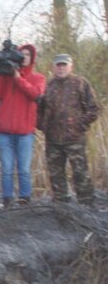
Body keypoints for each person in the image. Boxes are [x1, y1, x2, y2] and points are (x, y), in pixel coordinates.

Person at [38, 53, 99, 206]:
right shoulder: (49, 86)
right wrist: (43, 126)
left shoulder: (80, 83)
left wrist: (80, 125)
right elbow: (40, 110)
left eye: (64, 65)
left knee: (80, 172)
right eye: (58, 65)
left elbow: (94, 109)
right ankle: (61, 203)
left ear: (71, 66)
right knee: (56, 174)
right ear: (53, 67)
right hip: (53, 139)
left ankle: (86, 204)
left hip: (74, 138)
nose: (61, 68)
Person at [0, 42, 45, 206]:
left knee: (24, 169)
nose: (25, 58)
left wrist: (19, 79)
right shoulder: (6, 78)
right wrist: (0, 73)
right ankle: (7, 199)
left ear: (32, 58)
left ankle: (24, 199)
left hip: (25, 131)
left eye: (28, 55)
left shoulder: (38, 78)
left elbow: (36, 94)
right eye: (23, 54)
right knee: (6, 169)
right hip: (4, 130)